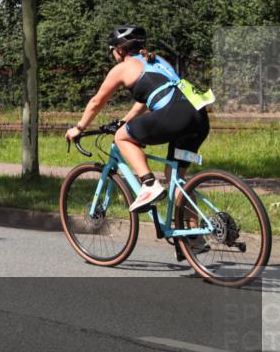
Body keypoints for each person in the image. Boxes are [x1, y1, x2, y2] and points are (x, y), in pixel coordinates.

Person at [65, 25, 213, 212]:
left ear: (120, 49)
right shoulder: (157, 60)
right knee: (176, 179)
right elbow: (151, 98)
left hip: (175, 114)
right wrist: (125, 121)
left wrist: (79, 128)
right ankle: (195, 231)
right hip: (198, 115)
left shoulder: (122, 68)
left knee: (121, 137)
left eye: (112, 50)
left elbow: (97, 102)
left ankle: (149, 184)